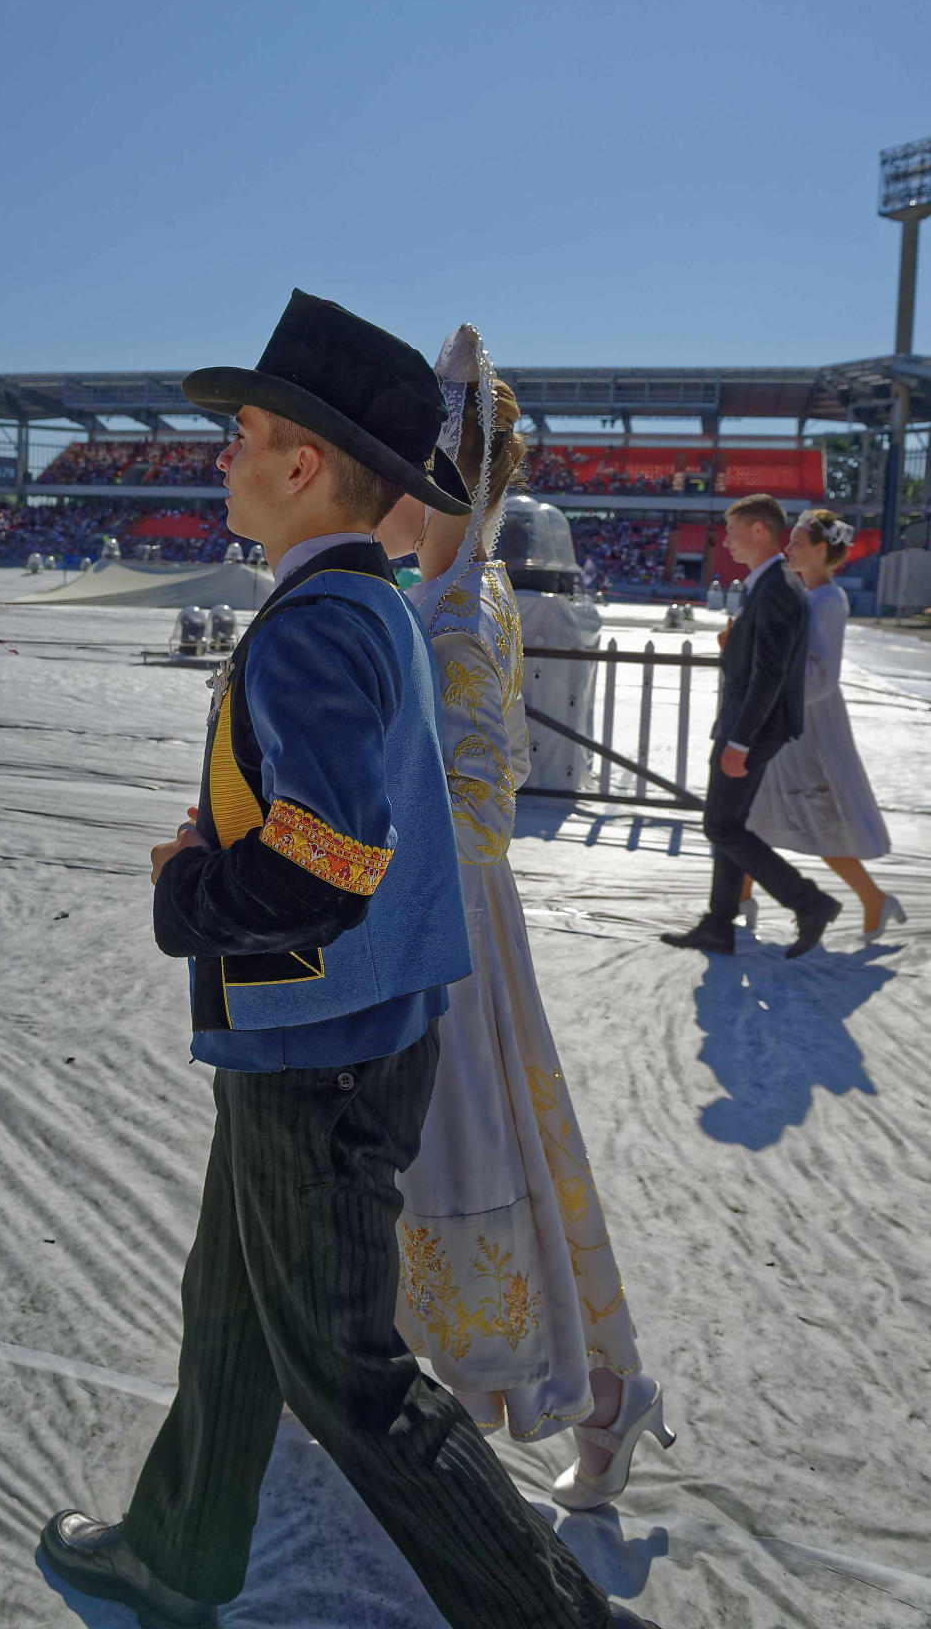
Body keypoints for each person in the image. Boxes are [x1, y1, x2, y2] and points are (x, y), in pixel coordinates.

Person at [39, 291, 662, 1629]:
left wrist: (189, 886)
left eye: (243, 434)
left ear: (304, 464)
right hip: (333, 1043)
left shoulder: (316, 624)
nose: (222, 456)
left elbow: (326, 865)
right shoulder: (364, 601)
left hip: (312, 1062)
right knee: (229, 1314)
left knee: (351, 1375)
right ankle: (175, 1556)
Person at [377, 326, 672, 1516]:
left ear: (440, 478)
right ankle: (598, 1396)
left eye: (392, 463)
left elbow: (465, 809)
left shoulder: (452, 604)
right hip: (453, 918)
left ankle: (593, 1398)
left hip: (438, 926)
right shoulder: (456, 587)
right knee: (501, 1161)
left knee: (466, 1160)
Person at [662, 493, 841, 959]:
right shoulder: (768, 583)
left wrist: (740, 741)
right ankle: (720, 924)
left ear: (760, 530)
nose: (727, 541)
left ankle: (810, 901)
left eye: (734, 530)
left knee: (721, 826)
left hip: (751, 730)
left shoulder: (778, 587)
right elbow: (759, 661)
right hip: (746, 725)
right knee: (729, 823)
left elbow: (770, 675)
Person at [739, 508, 903, 941]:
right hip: (788, 719)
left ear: (819, 549)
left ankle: (873, 898)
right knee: (753, 813)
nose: (787, 548)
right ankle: (738, 901)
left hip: (808, 727)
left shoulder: (829, 601)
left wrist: (775, 695)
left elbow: (822, 677)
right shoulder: (806, 595)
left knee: (818, 822)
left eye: (795, 542)